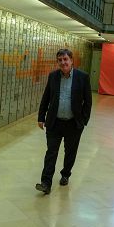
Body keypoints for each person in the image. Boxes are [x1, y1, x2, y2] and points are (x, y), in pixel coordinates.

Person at [35, 48, 92, 194]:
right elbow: (46, 97)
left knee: (70, 152)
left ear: (71, 60)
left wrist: (83, 121)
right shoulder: (53, 76)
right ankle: (46, 183)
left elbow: (88, 101)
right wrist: (41, 117)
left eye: (65, 59)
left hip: (73, 123)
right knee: (51, 153)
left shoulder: (82, 77)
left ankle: (65, 174)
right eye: (60, 60)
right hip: (55, 122)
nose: (63, 62)